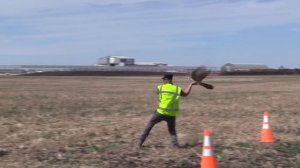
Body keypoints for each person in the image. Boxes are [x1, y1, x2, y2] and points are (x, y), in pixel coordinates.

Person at [138, 73, 198, 148]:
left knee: (150, 125)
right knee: (172, 131)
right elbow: (185, 94)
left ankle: (140, 141)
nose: (163, 80)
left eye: (163, 79)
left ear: (167, 79)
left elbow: (160, 94)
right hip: (171, 114)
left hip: (160, 112)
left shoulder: (160, 87)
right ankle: (175, 145)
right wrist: (191, 84)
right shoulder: (177, 89)